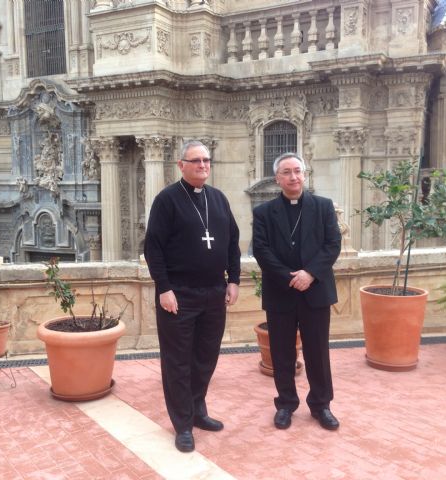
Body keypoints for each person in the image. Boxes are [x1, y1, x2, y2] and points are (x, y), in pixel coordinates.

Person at [144, 140, 240, 453]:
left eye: (206, 160)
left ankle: (198, 410)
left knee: (205, 358)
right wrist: (164, 288)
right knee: (178, 363)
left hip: (214, 292)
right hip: (179, 295)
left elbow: (233, 243)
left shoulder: (219, 199)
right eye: (195, 160)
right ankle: (183, 424)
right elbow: (153, 248)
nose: (202, 165)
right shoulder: (167, 200)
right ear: (181, 164)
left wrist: (234, 280)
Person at [252, 152, 341, 431]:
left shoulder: (323, 207)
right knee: (281, 353)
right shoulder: (264, 212)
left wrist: (310, 273)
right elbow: (261, 250)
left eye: (297, 171)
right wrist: (289, 277)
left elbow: (332, 244)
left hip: (315, 290)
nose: (293, 177)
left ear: (305, 175)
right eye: (287, 172)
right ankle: (286, 404)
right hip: (281, 292)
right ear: (277, 178)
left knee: (318, 351)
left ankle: (321, 405)